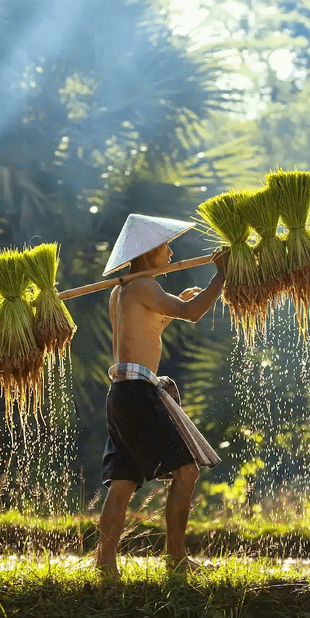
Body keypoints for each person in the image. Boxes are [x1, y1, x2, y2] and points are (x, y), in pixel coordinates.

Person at [95, 214, 227, 579]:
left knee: (122, 482)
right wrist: (220, 275)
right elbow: (193, 314)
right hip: (138, 393)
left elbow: (149, 327)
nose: (171, 252)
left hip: (120, 392)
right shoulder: (145, 287)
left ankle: (105, 565)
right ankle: (176, 558)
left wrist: (178, 306)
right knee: (186, 471)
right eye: (165, 247)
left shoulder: (123, 290)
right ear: (150, 252)